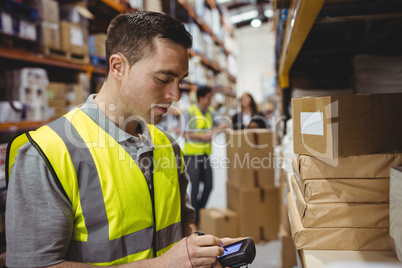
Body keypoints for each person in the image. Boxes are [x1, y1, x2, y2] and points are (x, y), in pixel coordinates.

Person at [5, 11, 239, 267]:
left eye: (180, 81)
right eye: (163, 78)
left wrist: (197, 249)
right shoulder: (48, 153)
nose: (175, 95)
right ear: (118, 67)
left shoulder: (167, 145)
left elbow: (184, 220)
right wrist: (162, 265)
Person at [181, 86, 227, 225]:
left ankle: (199, 212)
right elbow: (183, 132)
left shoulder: (211, 111)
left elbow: (224, 124)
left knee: (209, 185)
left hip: (206, 155)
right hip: (192, 155)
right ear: (201, 97)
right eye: (208, 97)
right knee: (195, 187)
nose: (210, 99)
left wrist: (213, 132)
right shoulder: (188, 112)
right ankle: (195, 220)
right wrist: (203, 136)